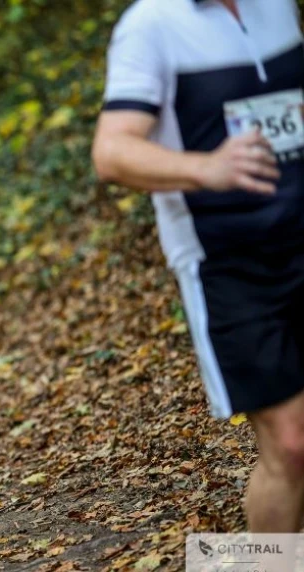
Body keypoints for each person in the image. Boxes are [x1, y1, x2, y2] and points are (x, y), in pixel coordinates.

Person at [92, 0, 304, 533]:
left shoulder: (277, 6)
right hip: (226, 263)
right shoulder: (150, 25)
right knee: (291, 446)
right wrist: (206, 167)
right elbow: (112, 153)